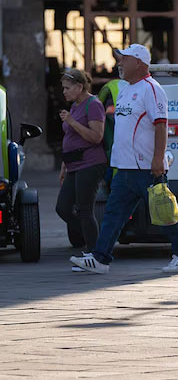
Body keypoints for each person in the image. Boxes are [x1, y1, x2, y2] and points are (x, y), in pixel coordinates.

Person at [70, 44, 178, 274]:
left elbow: (161, 125)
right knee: (113, 214)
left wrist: (158, 159)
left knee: (164, 209)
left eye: (124, 60)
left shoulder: (152, 89)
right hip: (125, 166)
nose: (119, 63)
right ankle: (100, 259)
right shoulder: (125, 88)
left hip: (146, 167)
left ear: (139, 62)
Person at [56, 69, 108, 271]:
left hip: (90, 163)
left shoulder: (93, 105)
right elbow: (70, 139)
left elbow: (96, 137)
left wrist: (71, 121)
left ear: (80, 87)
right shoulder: (75, 105)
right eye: (63, 88)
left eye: (67, 88)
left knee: (84, 209)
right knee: (62, 207)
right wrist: (64, 165)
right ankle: (98, 242)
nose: (64, 92)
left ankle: (97, 255)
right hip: (73, 164)